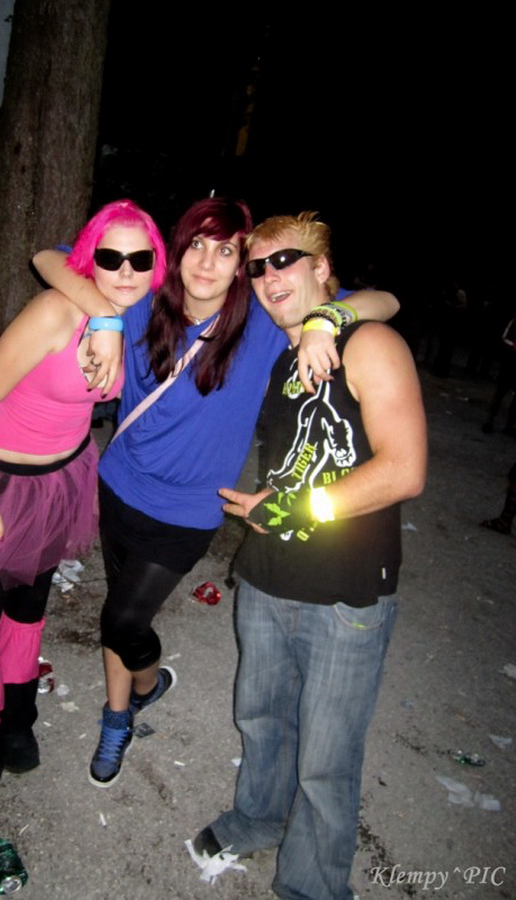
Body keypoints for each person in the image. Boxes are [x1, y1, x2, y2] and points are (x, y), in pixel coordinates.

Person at [33, 197, 400, 791]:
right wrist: (103, 316)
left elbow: (385, 302)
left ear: (240, 267)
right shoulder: (138, 300)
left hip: (188, 511)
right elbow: (48, 259)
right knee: (119, 609)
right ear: (176, 252)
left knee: (123, 618)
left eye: (226, 250)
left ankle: (149, 684)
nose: (207, 262)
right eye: (197, 245)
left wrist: (324, 321)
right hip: (119, 484)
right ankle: (118, 714)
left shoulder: (261, 326)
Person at [193, 213, 427, 900]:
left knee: (326, 759)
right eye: (257, 266)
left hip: (346, 593)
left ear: (322, 269)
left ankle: (312, 887)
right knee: (261, 719)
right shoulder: (279, 351)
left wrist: (299, 508)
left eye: (285, 260)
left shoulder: (370, 344)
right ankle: (258, 817)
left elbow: (404, 470)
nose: (268, 276)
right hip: (266, 574)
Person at [0, 199, 166, 827]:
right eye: (110, 256)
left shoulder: (142, 317)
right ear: (90, 259)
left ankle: (16, 721)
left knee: (28, 610)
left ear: (156, 264)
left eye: (140, 258)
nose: (125, 271)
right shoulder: (57, 309)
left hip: (61, 481)